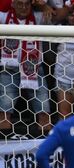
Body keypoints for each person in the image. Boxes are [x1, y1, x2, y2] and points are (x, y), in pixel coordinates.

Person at [0, 0, 53, 139]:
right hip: (9, 68)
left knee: (44, 111)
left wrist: (42, 5)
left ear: (32, 4)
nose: (23, 7)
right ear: (13, 4)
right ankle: (5, 152)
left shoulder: (39, 16)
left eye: (27, 4)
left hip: (34, 68)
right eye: (19, 3)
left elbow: (59, 14)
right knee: (4, 112)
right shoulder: (3, 16)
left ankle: (46, 151)